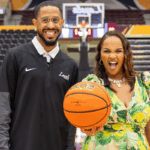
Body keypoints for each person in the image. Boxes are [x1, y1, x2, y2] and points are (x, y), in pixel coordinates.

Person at [0, 1, 78, 150]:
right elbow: (3, 107)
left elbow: (71, 116)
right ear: (35, 23)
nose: (51, 26)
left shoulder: (70, 65)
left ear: (62, 23)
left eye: (55, 20)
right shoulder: (15, 57)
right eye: (45, 20)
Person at [80, 30, 150, 150]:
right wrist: (86, 128)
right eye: (107, 51)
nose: (112, 56)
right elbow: (83, 121)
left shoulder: (144, 82)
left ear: (125, 55)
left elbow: (148, 126)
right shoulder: (91, 85)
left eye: (118, 51)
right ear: (100, 56)